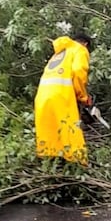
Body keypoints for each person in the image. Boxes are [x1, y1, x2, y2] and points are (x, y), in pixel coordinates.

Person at [34, 32, 92, 165]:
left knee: (50, 133)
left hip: (42, 96)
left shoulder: (59, 53)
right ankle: (78, 164)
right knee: (70, 128)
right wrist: (83, 97)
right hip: (61, 94)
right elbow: (78, 71)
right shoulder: (80, 49)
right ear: (86, 44)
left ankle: (50, 163)